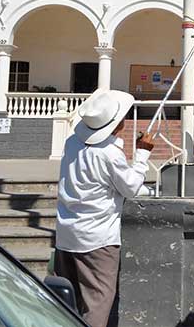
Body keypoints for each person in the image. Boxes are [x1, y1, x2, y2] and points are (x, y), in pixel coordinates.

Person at [55, 89, 156, 327]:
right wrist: (142, 155)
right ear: (116, 123)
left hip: (67, 234)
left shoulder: (72, 143)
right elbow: (130, 187)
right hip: (97, 241)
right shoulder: (109, 154)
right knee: (96, 306)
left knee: (66, 304)